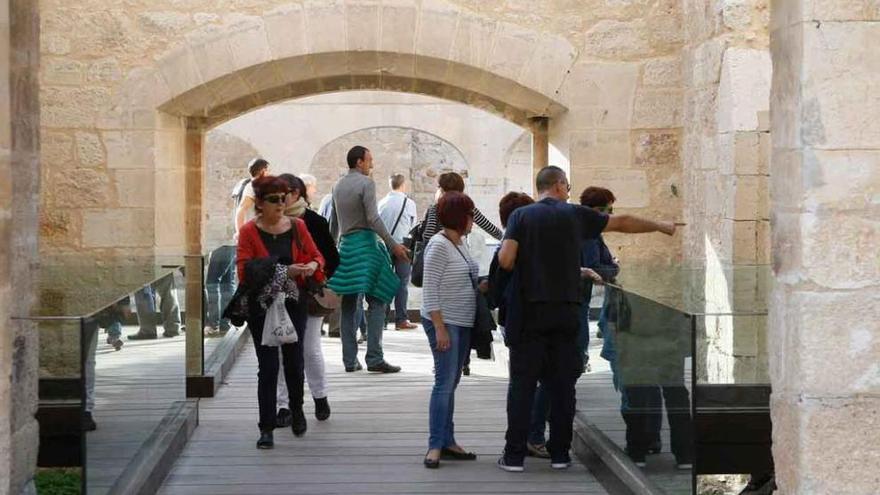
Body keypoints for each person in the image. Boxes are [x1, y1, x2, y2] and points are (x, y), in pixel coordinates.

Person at [496, 166, 676, 472]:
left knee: (523, 385)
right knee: (563, 385)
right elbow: (622, 222)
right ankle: (560, 455)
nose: (568, 191)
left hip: (530, 313)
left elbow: (506, 259)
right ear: (559, 185)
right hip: (566, 311)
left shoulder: (521, 217)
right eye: (567, 186)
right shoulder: (575, 215)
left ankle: (514, 456)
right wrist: (660, 225)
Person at [235, 175, 325, 449]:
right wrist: (285, 269)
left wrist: (311, 266)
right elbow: (244, 270)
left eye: (284, 197)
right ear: (260, 203)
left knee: (295, 362)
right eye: (274, 199)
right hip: (261, 306)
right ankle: (266, 427)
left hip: (293, 301)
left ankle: (297, 411)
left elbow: (317, 256)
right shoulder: (250, 231)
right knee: (268, 367)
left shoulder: (298, 226)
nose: (281, 203)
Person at [327, 146, 409, 374]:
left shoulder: (338, 185)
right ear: (360, 162)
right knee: (379, 299)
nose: (372, 165)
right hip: (366, 246)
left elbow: (334, 224)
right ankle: (374, 356)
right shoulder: (366, 183)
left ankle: (349, 360)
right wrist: (394, 245)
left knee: (349, 304)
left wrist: (331, 252)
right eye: (370, 160)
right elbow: (373, 218)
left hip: (346, 247)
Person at [421, 192, 480, 468]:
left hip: (463, 320)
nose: (473, 220)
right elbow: (429, 290)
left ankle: (448, 440)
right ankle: (435, 445)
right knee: (444, 383)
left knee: (451, 383)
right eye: (470, 214)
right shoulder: (439, 245)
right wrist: (439, 327)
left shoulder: (460, 243)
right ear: (460, 217)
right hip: (446, 322)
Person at [275, 174, 339, 424]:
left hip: (308, 292)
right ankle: (284, 405)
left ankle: (320, 396)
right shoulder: (271, 223)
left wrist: (316, 273)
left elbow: (333, 258)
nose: (283, 196)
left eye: (288, 191)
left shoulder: (313, 221)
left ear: (298, 193)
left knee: (310, 348)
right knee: (282, 348)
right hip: (279, 292)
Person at [578, 187, 621, 372]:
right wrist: (614, 268)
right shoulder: (589, 234)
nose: (611, 215)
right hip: (578, 295)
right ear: (596, 210)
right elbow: (593, 267)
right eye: (609, 210)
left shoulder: (587, 231)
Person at [378, 173, 419, 330]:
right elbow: (412, 226)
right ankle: (401, 320)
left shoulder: (382, 203)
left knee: (385, 281)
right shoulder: (409, 203)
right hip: (403, 246)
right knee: (402, 283)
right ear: (403, 185)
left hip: (385, 246)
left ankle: (381, 319)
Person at [421, 172, 503, 243]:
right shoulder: (468, 208)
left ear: (442, 190)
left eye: (439, 187)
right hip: (459, 251)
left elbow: (428, 235)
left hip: (439, 254)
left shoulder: (435, 208)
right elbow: (490, 228)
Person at [235, 158, 270, 234]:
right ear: (263, 171)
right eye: (268, 170)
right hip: (253, 233)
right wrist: (240, 233)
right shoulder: (252, 187)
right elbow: (242, 209)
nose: (269, 173)